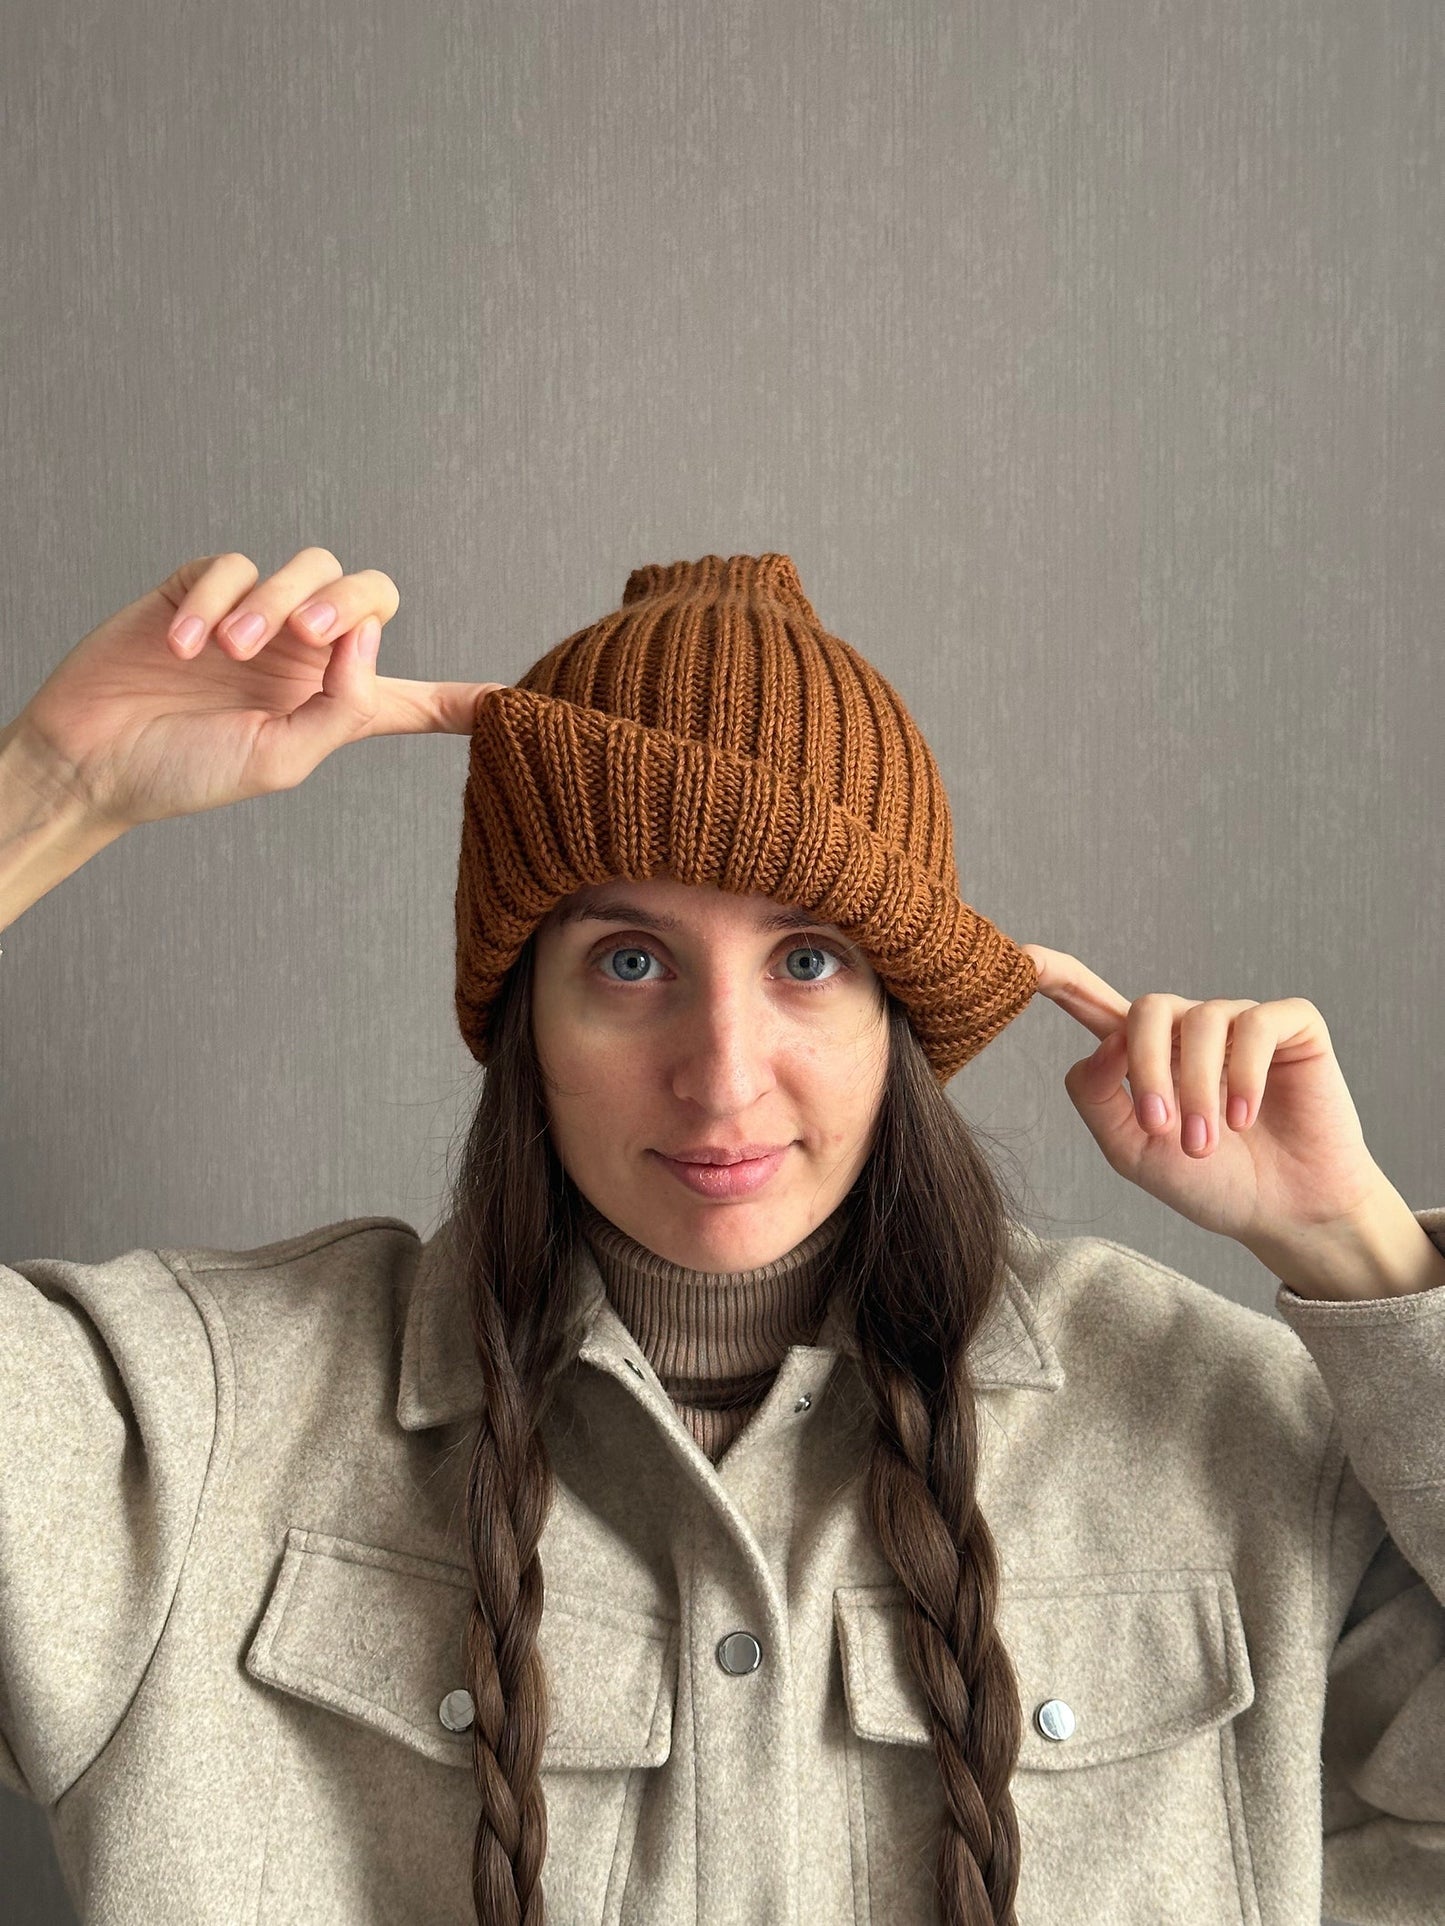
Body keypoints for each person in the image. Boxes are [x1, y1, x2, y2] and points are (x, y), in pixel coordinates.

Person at [1, 547, 1442, 1926]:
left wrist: (1361, 1256)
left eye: (807, 959)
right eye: (630, 962)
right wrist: (47, 788)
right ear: (524, 1023)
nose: (723, 1071)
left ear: (897, 1015)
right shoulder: (200, 1427)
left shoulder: (1223, 1430)